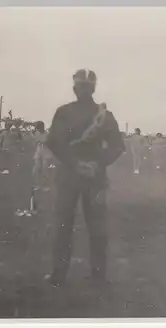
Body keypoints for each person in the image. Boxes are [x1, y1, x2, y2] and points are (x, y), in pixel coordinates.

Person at [45, 69, 125, 287]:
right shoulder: (104, 116)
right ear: (94, 88)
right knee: (97, 227)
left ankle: (58, 275)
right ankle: (98, 276)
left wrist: (74, 164)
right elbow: (118, 146)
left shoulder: (64, 112)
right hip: (95, 176)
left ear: (75, 88)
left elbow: (53, 142)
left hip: (69, 176)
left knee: (64, 225)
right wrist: (97, 164)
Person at [32, 121, 52, 191]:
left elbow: (48, 142)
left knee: (45, 169)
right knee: (36, 169)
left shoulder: (47, 134)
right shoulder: (36, 133)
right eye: (37, 128)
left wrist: (42, 141)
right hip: (39, 151)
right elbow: (35, 142)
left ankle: (46, 185)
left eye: (39, 127)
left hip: (46, 152)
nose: (38, 129)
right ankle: (37, 184)